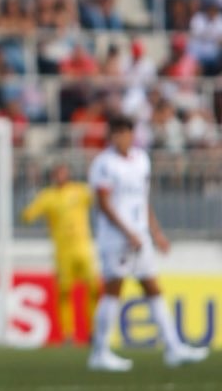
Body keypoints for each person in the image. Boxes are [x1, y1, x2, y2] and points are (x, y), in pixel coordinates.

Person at [86, 115, 210, 371]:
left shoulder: (142, 160)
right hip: (115, 239)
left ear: (132, 134)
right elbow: (104, 204)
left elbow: (143, 201)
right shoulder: (104, 164)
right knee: (113, 290)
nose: (122, 137)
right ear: (110, 136)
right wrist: (126, 232)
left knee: (153, 288)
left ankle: (174, 348)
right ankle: (99, 352)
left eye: (126, 131)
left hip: (140, 237)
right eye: (116, 132)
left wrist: (156, 232)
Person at [21, 163, 100, 344]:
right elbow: (28, 215)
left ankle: (93, 331)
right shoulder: (47, 196)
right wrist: (27, 213)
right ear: (53, 176)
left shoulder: (79, 191)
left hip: (83, 248)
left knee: (94, 288)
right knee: (65, 293)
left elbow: (98, 197)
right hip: (62, 252)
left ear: (69, 174)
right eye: (57, 173)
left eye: (63, 172)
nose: (61, 176)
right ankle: (68, 334)